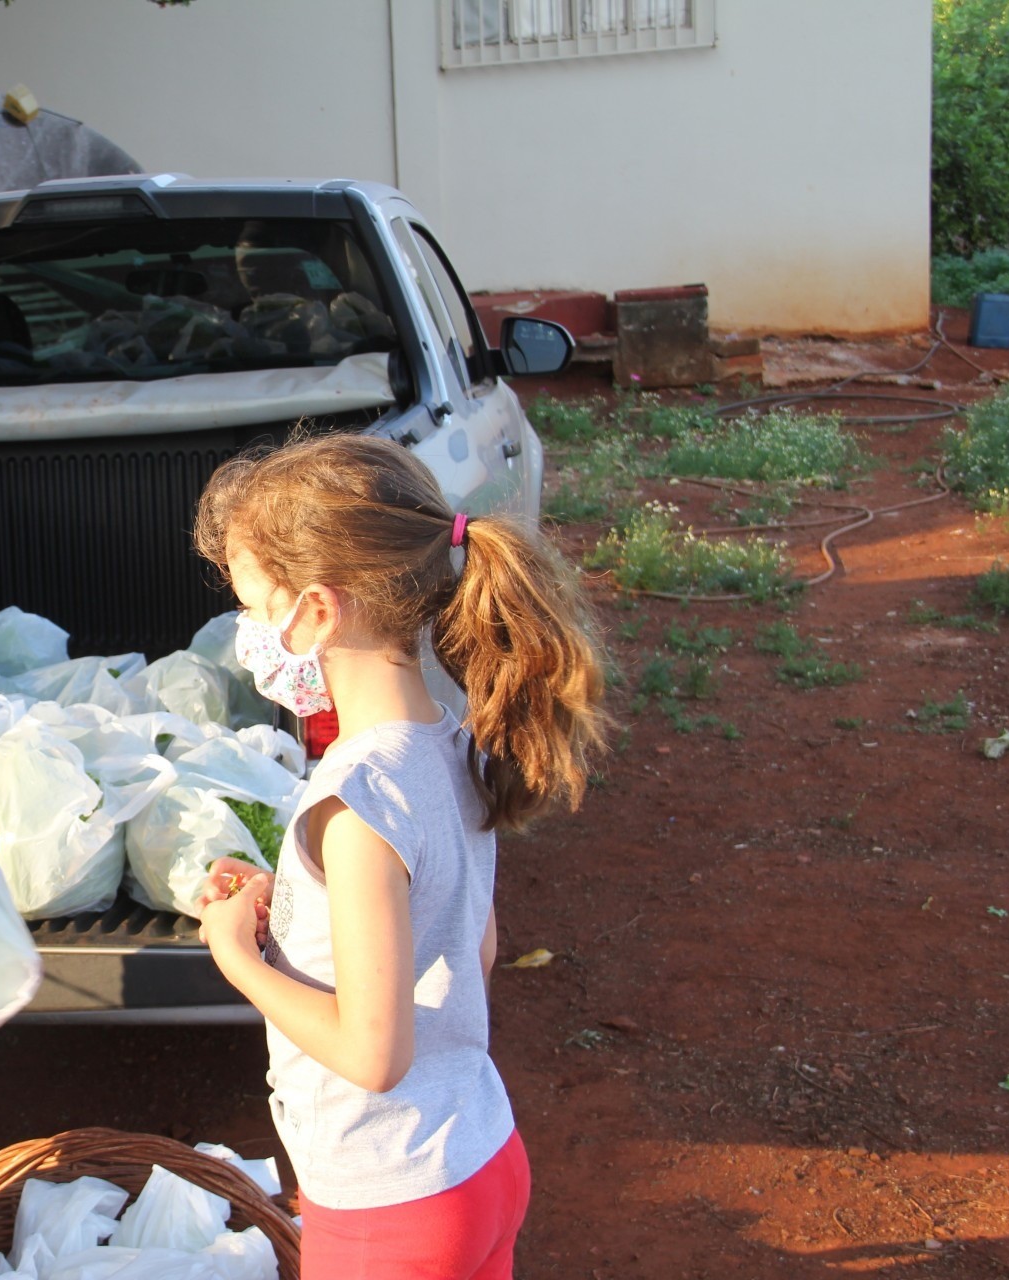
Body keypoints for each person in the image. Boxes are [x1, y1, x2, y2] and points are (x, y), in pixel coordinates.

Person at [191, 432, 608, 1278]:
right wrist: (300, 906)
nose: (249, 631)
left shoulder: (353, 800)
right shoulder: (449, 747)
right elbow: (468, 943)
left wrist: (237, 957)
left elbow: (375, 1058)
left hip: (391, 1206)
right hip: (481, 1160)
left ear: (314, 612)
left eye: (252, 604)